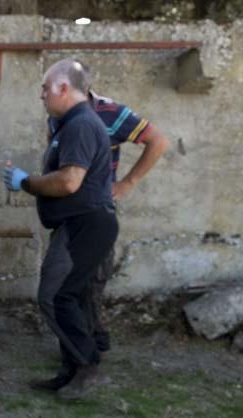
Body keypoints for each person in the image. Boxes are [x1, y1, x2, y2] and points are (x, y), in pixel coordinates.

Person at [1, 58, 118, 399]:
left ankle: (86, 366)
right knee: (73, 296)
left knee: (54, 296)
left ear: (64, 89)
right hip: (81, 223)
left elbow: (69, 182)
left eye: (45, 89)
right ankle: (71, 370)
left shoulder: (80, 124)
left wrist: (27, 182)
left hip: (85, 223)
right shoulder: (72, 125)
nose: (42, 96)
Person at [49, 61, 170, 354]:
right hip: (68, 215)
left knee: (88, 285)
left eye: (47, 89)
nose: (44, 96)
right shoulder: (57, 117)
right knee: (66, 285)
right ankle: (81, 351)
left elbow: (158, 141)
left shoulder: (111, 112)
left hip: (95, 215)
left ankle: (87, 356)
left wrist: (127, 183)